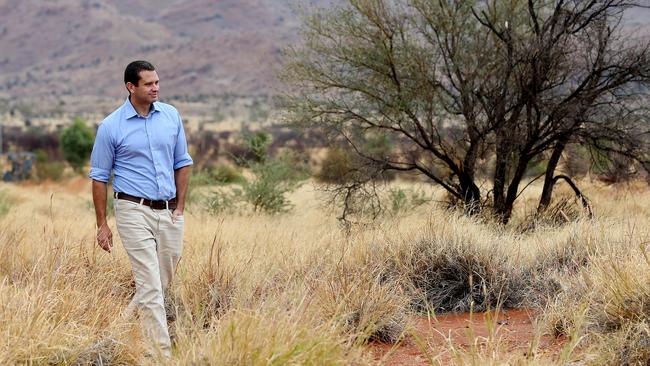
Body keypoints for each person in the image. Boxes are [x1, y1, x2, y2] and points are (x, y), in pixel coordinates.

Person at [89, 60, 193, 358]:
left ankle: (118, 333)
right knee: (149, 285)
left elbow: (182, 162)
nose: (156, 87)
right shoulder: (111, 127)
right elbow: (99, 177)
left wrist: (180, 207)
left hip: (169, 212)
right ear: (130, 87)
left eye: (157, 82)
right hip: (132, 210)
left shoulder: (171, 116)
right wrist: (102, 224)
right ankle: (162, 356)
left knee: (161, 283)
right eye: (149, 84)